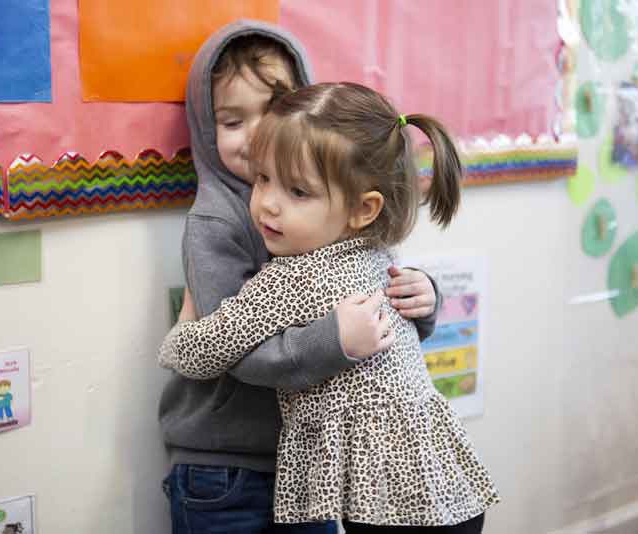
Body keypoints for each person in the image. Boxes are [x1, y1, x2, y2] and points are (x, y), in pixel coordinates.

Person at [160, 82, 500, 532]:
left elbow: (202, 353)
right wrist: (426, 301)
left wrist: (182, 327)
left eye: (298, 192)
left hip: (390, 505)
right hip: (444, 489)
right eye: (263, 179)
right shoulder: (379, 254)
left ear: (363, 209)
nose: (268, 204)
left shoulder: (288, 278)